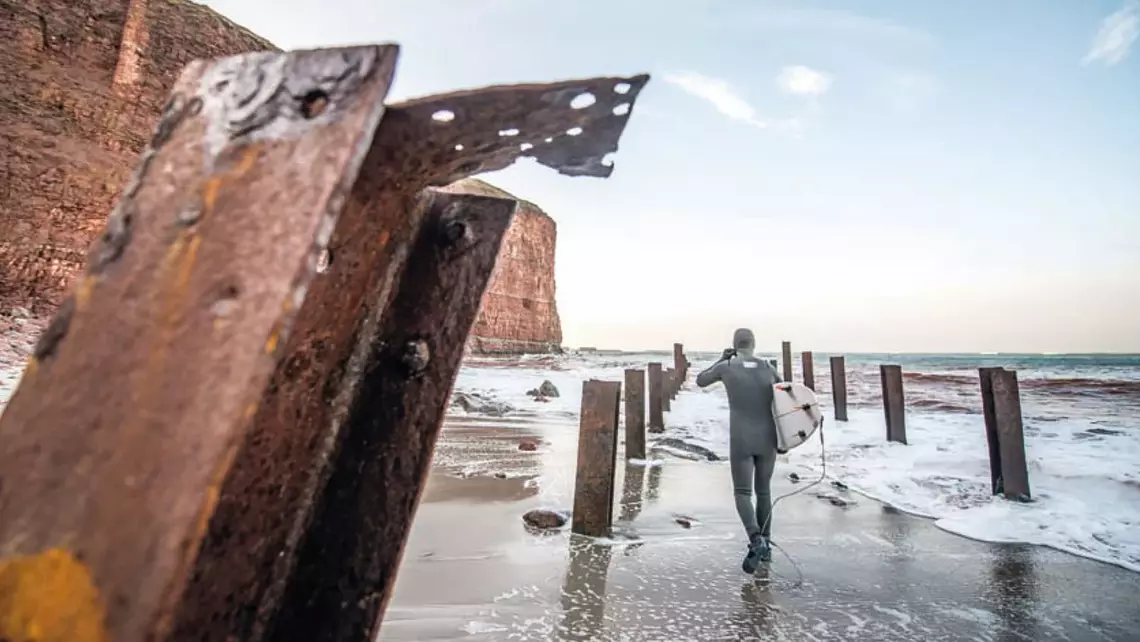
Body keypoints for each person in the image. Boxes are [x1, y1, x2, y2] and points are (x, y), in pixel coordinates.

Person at [695, 328, 782, 574]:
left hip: (741, 440)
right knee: (763, 492)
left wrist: (722, 360)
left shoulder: (727, 367)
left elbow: (701, 380)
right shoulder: (768, 368)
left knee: (743, 493)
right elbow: (788, 395)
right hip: (768, 439)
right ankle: (767, 548)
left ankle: (756, 540)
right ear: (754, 344)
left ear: (734, 344)